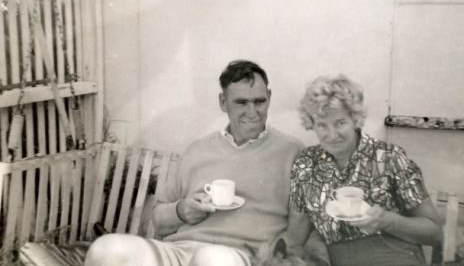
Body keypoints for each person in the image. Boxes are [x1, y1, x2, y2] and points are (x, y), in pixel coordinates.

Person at [84, 60, 303, 266]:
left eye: (259, 101)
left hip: (237, 256)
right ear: (223, 102)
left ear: (270, 97)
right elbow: (159, 220)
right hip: (180, 252)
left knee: (213, 259)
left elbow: (299, 234)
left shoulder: (294, 153)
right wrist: (181, 210)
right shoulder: (198, 150)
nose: (252, 112)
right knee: (106, 248)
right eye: (241, 102)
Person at [284, 74, 443, 266]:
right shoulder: (306, 163)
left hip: (391, 253)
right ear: (311, 124)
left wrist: (387, 221)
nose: (332, 135)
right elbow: (295, 235)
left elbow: (434, 233)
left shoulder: (390, 157)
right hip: (333, 258)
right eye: (322, 125)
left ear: (355, 119)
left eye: (340, 123)